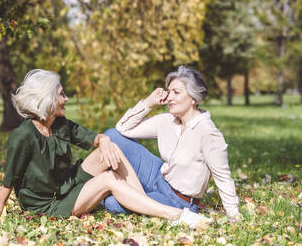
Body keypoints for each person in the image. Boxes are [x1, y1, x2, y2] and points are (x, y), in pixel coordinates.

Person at [0, 69, 212, 229]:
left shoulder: (59, 124)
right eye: (61, 94)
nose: (66, 99)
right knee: (109, 179)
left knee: (112, 147)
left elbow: (94, 137)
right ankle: (176, 215)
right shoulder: (22, 136)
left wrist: (105, 142)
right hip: (49, 204)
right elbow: (10, 177)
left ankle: (141, 201)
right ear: (47, 99)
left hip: (67, 183)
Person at [102, 66, 241, 222]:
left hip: (178, 201)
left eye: (176, 92)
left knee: (112, 203)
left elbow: (223, 177)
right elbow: (122, 128)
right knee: (111, 136)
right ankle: (137, 196)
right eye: (169, 91)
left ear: (193, 98)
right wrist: (149, 103)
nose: (169, 97)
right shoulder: (167, 120)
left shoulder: (208, 133)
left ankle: (134, 197)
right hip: (157, 176)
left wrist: (233, 215)